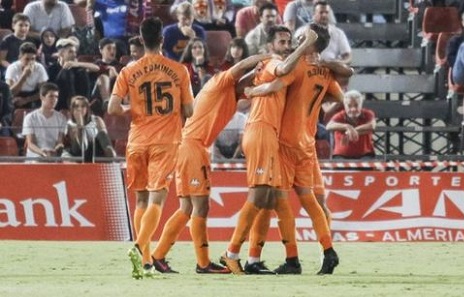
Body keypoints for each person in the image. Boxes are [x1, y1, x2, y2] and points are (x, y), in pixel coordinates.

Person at [244, 22, 349, 275]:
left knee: (278, 203)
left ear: (310, 42)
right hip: (307, 143)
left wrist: (250, 91)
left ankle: (291, 259)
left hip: (286, 142)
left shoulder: (299, 65)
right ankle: (328, 250)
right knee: (309, 200)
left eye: (302, 37)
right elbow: (340, 98)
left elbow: (276, 84)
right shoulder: (324, 72)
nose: (296, 40)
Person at [150, 53, 270, 275]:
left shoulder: (228, 96)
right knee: (201, 206)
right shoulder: (220, 81)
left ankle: (158, 255)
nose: (250, 83)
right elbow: (243, 65)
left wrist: (260, 74)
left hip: (188, 146)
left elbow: (250, 80)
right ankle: (203, 263)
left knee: (186, 208)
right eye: (248, 79)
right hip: (193, 148)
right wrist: (269, 57)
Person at [219, 25, 319, 275]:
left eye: (289, 42)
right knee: (259, 197)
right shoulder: (275, 61)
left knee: (268, 199)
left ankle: (253, 259)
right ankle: (231, 253)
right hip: (262, 131)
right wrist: (307, 44)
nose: (287, 46)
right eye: (282, 42)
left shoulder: (268, 64)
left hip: (266, 133)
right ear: (270, 45)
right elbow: (283, 70)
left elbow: (252, 87)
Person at [108, 17, 195, 280]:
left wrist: (134, 109)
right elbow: (189, 111)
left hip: (137, 141)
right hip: (165, 142)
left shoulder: (128, 71)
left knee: (141, 200)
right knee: (157, 198)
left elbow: (112, 108)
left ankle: (146, 261)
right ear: (162, 40)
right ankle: (138, 247)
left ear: (141, 40)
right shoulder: (179, 70)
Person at [48, 38, 99, 111]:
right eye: (70, 52)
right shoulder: (52, 68)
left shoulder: (76, 66)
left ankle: (85, 103)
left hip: (79, 97)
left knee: (82, 71)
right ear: (61, 54)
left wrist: (77, 64)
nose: (74, 55)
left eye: (75, 52)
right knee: (67, 71)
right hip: (60, 99)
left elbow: (97, 68)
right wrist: (65, 68)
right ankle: (73, 102)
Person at [62, 96, 116, 162]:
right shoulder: (69, 124)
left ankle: (110, 152)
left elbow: (104, 136)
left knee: (101, 134)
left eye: (83, 106)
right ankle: (80, 127)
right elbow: (81, 145)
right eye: (76, 106)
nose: (80, 109)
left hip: (95, 149)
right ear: (72, 109)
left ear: (87, 108)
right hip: (79, 151)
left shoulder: (96, 119)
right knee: (80, 138)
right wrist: (80, 124)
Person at [326, 90, 376, 159]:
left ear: (361, 104)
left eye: (356, 105)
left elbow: (371, 126)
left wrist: (349, 132)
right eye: (349, 106)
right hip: (341, 155)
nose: (353, 109)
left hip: (365, 154)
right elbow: (328, 126)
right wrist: (347, 126)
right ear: (344, 106)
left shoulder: (368, 114)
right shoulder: (340, 115)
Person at [22, 82, 66, 161]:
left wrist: (57, 148)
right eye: (51, 96)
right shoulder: (30, 117)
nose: (54, 99)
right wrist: (42, 153)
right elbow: (30, 143)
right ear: (42, 97)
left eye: (56, 97)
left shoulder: (61, 118)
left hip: (53, 154)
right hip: (35, 155)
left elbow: (59, 141)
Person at [5, 42, 49, 109]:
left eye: (33, 59)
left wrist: (26, 100)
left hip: (32, 95)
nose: (30, 62)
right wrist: (24, 76)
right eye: (27, 59)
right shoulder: (12, 68)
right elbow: (10, 93)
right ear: (20, 57)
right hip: (16, 94)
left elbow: (43, 92)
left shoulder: (39, 68)